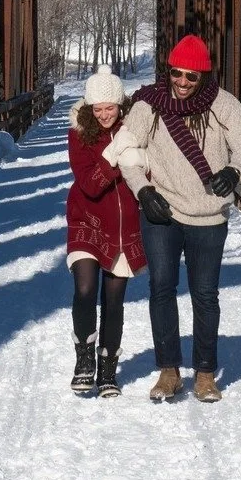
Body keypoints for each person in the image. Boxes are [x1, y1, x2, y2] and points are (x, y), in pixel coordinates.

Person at [108, 35, 241, 403]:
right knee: (161, 289)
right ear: (168, 71)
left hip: (208, 217)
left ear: (204, 76)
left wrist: (236, 171)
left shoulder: (225, 105)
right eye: (177, 74)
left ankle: (205, 374)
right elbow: (126, 150)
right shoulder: (149, 105)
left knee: (205, 295)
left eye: (191, 76)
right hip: (162, 212)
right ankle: (169, 372)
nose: (183, 83)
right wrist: (142, 189)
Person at [65, 64, 144, 398]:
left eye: (109, 108)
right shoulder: (79, 133)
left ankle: (108, 369)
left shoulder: (134, 130)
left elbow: (146, 170)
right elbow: (89, 184)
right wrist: (115, 154)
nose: (103, 115)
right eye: (96, 109)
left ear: (120, 105)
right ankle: (84, 362)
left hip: (124, 227)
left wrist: (133, 153)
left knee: (114, 301)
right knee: (85, 289)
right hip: (85, 219)